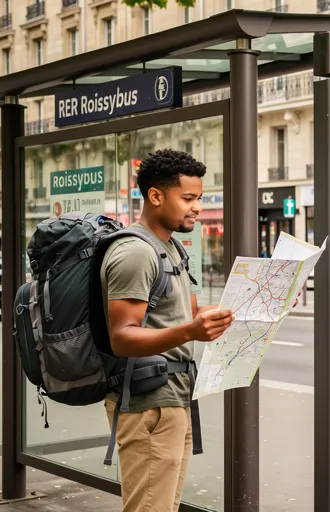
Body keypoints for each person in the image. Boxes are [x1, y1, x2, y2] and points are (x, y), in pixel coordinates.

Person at [101, 149, 235, 512]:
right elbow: (123, 336)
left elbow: (181, 312)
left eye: (199, 198)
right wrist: (191, 332)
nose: (197, 207)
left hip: (172, 398)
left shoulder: (171, 247)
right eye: (188, 198)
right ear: (155, 196)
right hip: (148, 404)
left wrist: (228, 313)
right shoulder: (135, 253)